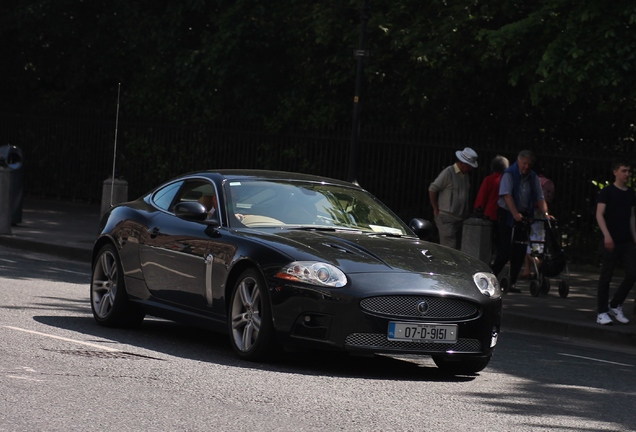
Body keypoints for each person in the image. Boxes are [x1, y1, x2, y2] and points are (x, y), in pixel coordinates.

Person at [490, 150, 551, 293]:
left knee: (520, 249)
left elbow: (540, 197)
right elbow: (507, 196)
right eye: (524, 163)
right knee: (506, 250)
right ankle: (490, 276)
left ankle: (511, 281)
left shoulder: (533, 177)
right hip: (507, 213)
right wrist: (515, 213)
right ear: (519, 161)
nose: (526, 167)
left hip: (524, 215)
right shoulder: (509, 174)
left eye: (529, 164)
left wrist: (546, 214)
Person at [595, 158, 636, 325]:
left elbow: (632, 216)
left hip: (626, 240)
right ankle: (602, 312)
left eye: (628, 171)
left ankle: (615, 304)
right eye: (623, 170)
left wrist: (635, 237)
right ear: (615, 172)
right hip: (611, 240)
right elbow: (599, 214)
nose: (627, 174)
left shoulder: (631, 192)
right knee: (606, 277)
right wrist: (607, 235)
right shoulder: (607, 192)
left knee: (633, 273)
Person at [428, 147, 479, 249]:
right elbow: (432, 189)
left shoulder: (465, 176)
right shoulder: (448, 172)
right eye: (469, 166)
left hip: (459, 218)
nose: (470, 168)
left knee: (455, 248)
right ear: (462, 162)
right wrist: (436, 209)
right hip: (446, 217)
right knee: (450, 248)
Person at [521, 163, 555, 278]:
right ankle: (527, 270)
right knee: (536, 242)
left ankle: (540, 265)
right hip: (542, 213)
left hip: (533, 213)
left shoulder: (534, 181)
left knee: (527, 243)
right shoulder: (547, 181)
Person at [474, 155, 510, 259]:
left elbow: (481, 197)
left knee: (487, 243)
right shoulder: (508, 181)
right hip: (504, 216)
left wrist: (478, 210)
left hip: (489, 216)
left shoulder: (489, 180)